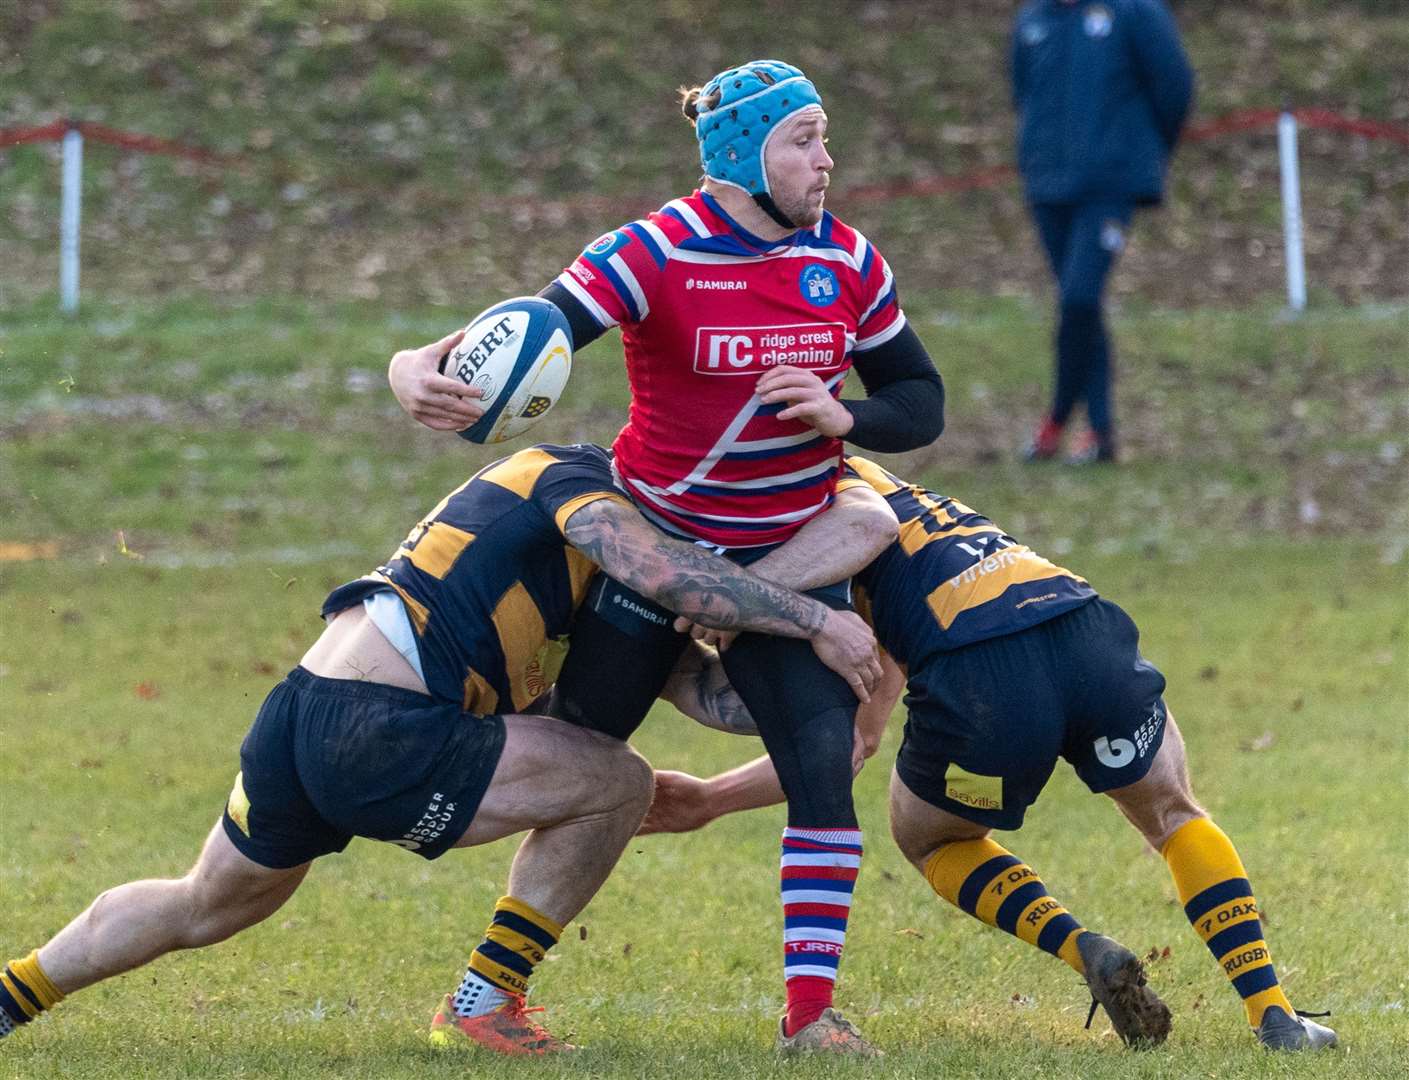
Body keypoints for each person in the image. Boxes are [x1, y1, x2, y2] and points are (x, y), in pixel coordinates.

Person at [0, 424, 886, 1058]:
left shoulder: (610, 587)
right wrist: (810, 613)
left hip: (302, 712)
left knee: (209, 901)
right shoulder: (572, 477)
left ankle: (17, 992)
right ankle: (482, 1004)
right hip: (382, 726)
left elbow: (707, 691)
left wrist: (848, 687)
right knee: (618, 782)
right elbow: (667, 573)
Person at [389, 60, 944, 1055]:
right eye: (803, 139)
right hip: (650, 560)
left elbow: (919, 398)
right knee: (583, 762)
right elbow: (532, 331)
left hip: (789, 558)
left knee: (823, 763)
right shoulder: (655, 249)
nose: (826, 159)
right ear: (743, 154)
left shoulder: (849, 261)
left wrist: (843, 411)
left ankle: (810, 1019)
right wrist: (407, 370)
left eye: (822, 137)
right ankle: (483, 996)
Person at [644, 455, 1338, 1053]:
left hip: (982, 680)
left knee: (930, 839)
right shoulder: (902, 497)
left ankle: (1081, 947)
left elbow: (852, 741)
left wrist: (711, 798)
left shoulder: (800, 515)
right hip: (1080, 625)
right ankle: (1272, 1014)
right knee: (1172, 813)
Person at [1012, 0, 1194, 463]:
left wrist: (1143, 154)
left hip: (1110, 186)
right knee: (1078, 307)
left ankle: (1060, 418)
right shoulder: (1033, 19)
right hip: (1049, 187)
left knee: (1080, 298)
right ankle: (1095, 433)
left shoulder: (1135, 11)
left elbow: (1175, 85)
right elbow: (1022, 91)